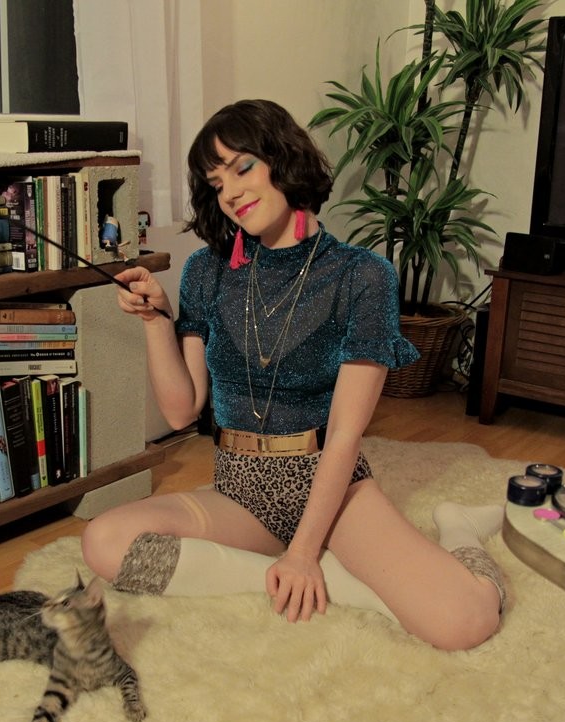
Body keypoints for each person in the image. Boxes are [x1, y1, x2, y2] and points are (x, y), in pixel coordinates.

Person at [80, 99, 505, 650]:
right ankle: (335, 584)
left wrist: (304, 552)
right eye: (216, 183)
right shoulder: (206, 271)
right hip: (238, 486)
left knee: (465, 621)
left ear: (284, 160)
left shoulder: (362, 276)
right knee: (105, 540)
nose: (230, 193)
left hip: (328, 483)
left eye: (243, 168)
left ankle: (459, 529)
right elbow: (182, 411)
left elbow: (346, 433)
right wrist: (156, 322)